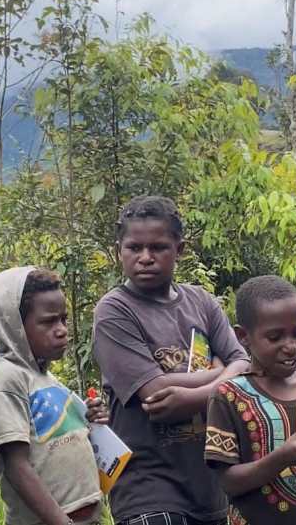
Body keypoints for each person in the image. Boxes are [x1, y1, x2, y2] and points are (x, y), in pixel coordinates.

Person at [92, 195, 250, 525]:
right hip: (148, 491)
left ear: (180, 249)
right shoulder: (114, 311)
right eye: (134, 248)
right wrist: (221, 373)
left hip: (208, 488)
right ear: (119, 250)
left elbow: (246, 366)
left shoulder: (201, 302)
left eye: (158, 247)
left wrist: (192, 395)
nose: (145, 258)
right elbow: (156, 394)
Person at [205, 275, 296, 525]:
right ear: (243, 336)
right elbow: (228, 482)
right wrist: (283, 457)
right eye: (275, 337)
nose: (291, 346)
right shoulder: (228, 396)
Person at [0, 266, 109, 525]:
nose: (62, 330)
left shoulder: (47, 379)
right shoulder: (5, 380)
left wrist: (89, 419)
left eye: (63, 319)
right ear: (13, 325)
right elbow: (16, 465)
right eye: (48, 322)